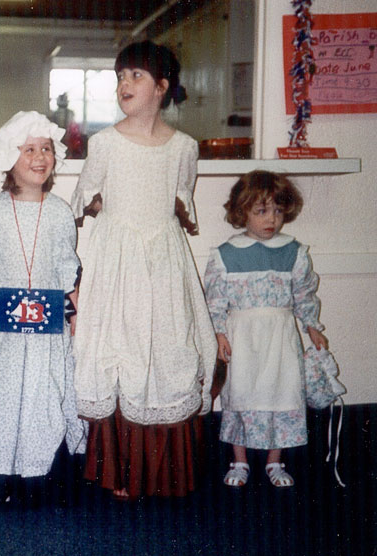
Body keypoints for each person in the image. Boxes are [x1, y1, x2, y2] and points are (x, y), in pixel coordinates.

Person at [71, 40, 217, 500]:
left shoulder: (184, 147)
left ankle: (164, 471)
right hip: (118, 260)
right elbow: (85, 199)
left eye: (135, 76)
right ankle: (121, 470)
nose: (124, 85)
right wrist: (99, 206)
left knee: (166, 345)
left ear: (162, 87)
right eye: (119, 77)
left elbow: (181, 201)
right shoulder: (104, 142)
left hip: (164, 258)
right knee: (121, 344)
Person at [0, 111, 87, 482]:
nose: (39, 157)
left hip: (46, 316)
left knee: (41, 390)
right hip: (2, 315)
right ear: (8, 160)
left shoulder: (60, 213)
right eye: (28, 149)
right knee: (1, 388)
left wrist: (75, 313)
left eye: (46, 148)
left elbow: (67, 266)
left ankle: (37, 469)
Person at [205, 170, 328, 488]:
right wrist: (218, 334)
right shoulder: (226, 255)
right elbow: (215, 302)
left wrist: (312, 325)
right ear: (241, 211)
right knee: (241, 393)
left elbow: (303, 294)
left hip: (280, 337)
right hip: (243, 338)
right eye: (261, 211)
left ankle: (275, 461)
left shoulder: (294, 253)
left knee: (282, 391)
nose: (271, 218)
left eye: (277, 210)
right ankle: (240, 459)